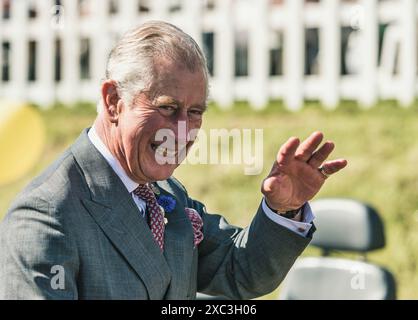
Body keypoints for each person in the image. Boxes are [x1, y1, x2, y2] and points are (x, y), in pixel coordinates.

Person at [0, 21, 347, 300]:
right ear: (112, 101)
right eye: (167, 107)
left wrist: (283, 209)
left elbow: (239, 272)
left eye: (195, 112)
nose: (182, 130)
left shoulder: (164, 194)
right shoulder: (47, 216)